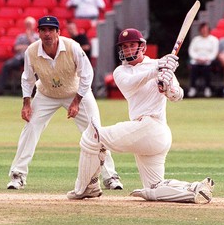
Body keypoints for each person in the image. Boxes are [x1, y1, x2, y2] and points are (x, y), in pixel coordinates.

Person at [67, 28, 214, 204]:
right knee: (153, 188)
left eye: (131, 45)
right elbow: (131, 85)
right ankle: (194, 190)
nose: (127, 49)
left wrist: (168, 88)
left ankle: (86, 188)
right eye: (124, 46)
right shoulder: (121, 72)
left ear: (142, 47)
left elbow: (178, 96)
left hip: (153, 128)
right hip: (145, 134)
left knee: (92, 136)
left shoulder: (160, 65)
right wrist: (157, 70)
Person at [7, 16, 123, 191]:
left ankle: (110, 176)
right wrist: (26, 103)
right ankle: (18, 175)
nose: (47, 34)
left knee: (95, 131)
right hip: (46, 94)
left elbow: (87, 75)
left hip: (76, 92)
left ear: (58, 32)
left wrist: (76, 101)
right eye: (43, 30)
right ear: (38, 32)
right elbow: (27, 79)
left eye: (51, 30)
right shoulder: (31, 51)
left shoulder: (72, 47)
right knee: (30, 128)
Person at [0, 16, 39, 96]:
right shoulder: (20, 36)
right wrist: (27, 46)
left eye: (30, 24)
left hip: (32, 58)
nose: (28, 26)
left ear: (34, 25)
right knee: (6, 65)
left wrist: (29, 38)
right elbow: (16, 48)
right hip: (20, 57)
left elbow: (36, 48)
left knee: (37, 69)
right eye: (27, 24)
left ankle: (36, 92)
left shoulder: (37, 36)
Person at [187, 22, 219, 98]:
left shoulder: (214, 40)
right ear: (200, 30)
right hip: (196, 61)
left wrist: (207, 59)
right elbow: (191, 50)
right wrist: (197, 58)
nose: (204, 30)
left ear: (208, 30)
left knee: (207, 69)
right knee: (194, 68)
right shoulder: (196, 39)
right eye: (202, 29)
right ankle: (193, 88)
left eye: (206, 29)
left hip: (209, 62)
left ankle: (208, 88)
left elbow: (214, 52)